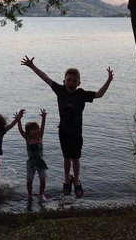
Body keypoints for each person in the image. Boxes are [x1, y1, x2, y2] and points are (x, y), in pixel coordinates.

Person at [21, 56, 113, 198]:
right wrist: (32, 66)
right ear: (64, 81)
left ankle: (75, 180)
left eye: (74, 80)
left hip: (76, 133)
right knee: (66, 158)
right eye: (69, 80)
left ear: (78, 82)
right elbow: (45, 78)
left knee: (75, 159)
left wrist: (109, 80)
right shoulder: (60, 90)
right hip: (63, 131)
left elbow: (99, 94)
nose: (71, 82)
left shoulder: (81, 94)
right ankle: (66, 178)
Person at [17, 109, 49, 201]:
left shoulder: (40, 137)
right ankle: (29, 195)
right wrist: (19, 119)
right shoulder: (27, 139)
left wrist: (44, 117)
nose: (36, 131)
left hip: (40, 163)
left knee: (43, 181)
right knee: (29, 181)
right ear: (28, 132)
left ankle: (41, 194)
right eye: (33, 129)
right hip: (31, 163)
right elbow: (20, 130)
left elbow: (43, 127)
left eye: (36, 129)